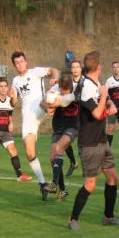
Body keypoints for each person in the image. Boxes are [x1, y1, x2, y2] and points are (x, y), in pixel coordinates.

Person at [68, 51, 119, 231]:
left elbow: (106, 102)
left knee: (112, 177)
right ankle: (72, 219)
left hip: (101, 141)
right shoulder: (86, 87)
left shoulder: (95, 83)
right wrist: (104, 95)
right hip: (89, 143)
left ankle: (108, 216)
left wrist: (111, 103)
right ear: (99, 67)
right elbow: (97, 113)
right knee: (90, 184)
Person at [9, 51, 59, 200]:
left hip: (39, 105)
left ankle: (52, 107)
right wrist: (12, 98)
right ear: (14, 65)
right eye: (17, 63)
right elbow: (14, 103)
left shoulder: (35, 72)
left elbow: (54, 70)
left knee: (47, 99)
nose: (20, 64)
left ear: (26, 61)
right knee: (29, 152)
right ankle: (43, 184)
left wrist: (54, 78)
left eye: (22, 61)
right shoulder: (15, 81)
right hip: (28, 116)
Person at [0, 79, 32, 185]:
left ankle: (20, 176)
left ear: (7, 88)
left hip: (5, 132)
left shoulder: (10, 101)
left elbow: (9, 114)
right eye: (1, 86)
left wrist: (11, 123)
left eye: (5, 86)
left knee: (13, 150)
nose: (3, 88)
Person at [40, 73, 79, 202]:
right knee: (52, 159)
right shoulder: (56, 89)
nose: (62, 91)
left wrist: (53, 103)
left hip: (72, 126)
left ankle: (54, 184)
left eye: (64, 89)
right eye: (61, 88)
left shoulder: (76, 92)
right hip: (58, 127)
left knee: (59, 148)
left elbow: (63, 101)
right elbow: (42, 103)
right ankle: (63, 190)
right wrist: (48, 105)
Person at [65, 59, 84, 177]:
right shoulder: (68, 83)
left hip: (83, 116)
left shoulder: (86, 82)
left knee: (82, 143)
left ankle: (85, 168)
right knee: (65, 141)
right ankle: (73, 162)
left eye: (77, 67)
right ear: (71, 69)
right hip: (70, 116)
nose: (75, 69)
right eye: (73, 67)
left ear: (80, 69)